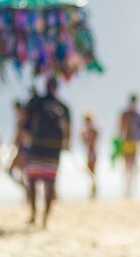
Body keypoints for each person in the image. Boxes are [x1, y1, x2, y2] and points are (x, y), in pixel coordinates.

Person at [25, 78, 70, 227]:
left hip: (37, 148)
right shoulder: (63, 106)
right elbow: (68, 134)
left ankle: (33, 214)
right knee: (50, 183)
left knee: (32, 182)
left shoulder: (36, 102)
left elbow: (25, 125)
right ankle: (45, 217)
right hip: (53, 151)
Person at [118, 93, 140, 197]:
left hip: (134, 142)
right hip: (128, 141)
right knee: (128, 165)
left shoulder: (138, 115)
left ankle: (131, 187)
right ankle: (127, 188)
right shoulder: (127, 114)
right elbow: (121, 129)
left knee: (133, 165)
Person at [8, 100, 28, 188]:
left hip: (23, 149)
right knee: (23, 172)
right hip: (22, 148)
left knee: (16, 170)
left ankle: (26, 189)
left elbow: (19, 135)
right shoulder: (25, 120)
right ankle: (26, 190)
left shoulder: (22, 121)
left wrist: (14, 144)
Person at [80, 113, 99, 200]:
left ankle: (94, 188)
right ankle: (93, 188)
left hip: (92, 152)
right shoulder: (87, 130)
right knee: (89, 171)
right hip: (89, 152)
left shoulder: (93, 130)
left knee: (91, 171)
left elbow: (92, 141)